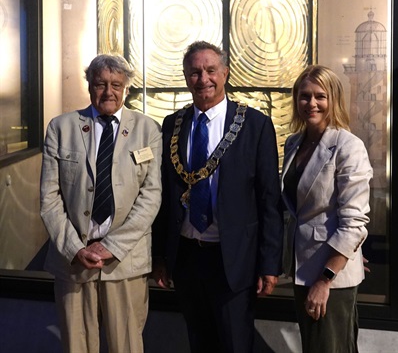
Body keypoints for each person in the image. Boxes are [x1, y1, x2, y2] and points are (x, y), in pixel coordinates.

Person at [152, 40, 284, 353]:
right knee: (199, 342)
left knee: (235, 343)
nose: (203, 79)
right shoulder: (172, 125)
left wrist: (269, 264)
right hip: (186, 258)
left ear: (225, 73)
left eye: (211, 70)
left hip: (234, 258)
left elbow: (269, 200)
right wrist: (161, 257)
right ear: (186, 78)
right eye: (195, 72)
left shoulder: (255, 125)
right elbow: (164, 197)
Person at [40, 54, 162, 353]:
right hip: (74, 261)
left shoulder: (148, 129)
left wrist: (112, 246)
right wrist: (75, 248)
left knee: (127, 346)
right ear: (89, 86)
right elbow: (49, 198)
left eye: (116, 84)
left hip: (125, 261)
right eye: (100, 84)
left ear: (127, 88)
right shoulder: (61, 127)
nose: (108, 91)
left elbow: (151, 196)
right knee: (76, 345)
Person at [281, 65, 372, 353]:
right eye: (304, 96)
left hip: (328, 278)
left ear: (333, 99)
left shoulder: (348, 146)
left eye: (320, 96)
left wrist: (327, 277)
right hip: (301, 267)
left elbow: (355, 221)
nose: (312, 103)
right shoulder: (294, 143)